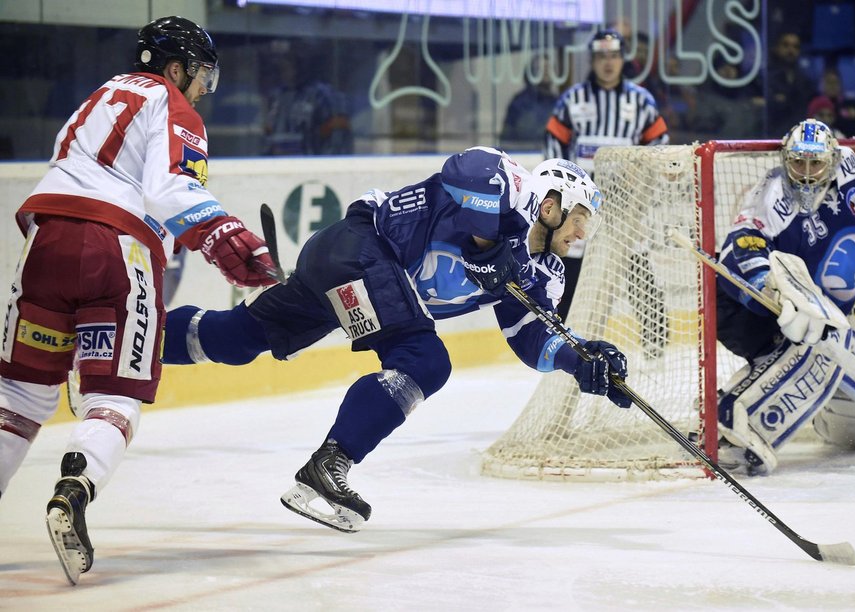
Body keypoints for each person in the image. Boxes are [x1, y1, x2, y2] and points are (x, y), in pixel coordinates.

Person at [161, 147, 632, 533]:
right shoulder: (512, 190)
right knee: (424, 359)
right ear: (550, 205)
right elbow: (465, 168)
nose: (581, 235)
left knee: (236, 338)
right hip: (361, 247)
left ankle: (128, 340)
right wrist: (488, 246)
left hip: (359, 278)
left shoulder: (543, 274)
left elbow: (529, 337)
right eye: (579, 219)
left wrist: (579, 360)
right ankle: (331, 464)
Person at [0, 16, 276, 585]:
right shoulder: (174, 106)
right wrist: (229, 238)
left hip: (44, 246)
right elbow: (171, 188)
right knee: (115, 394)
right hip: (114, 249)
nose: (203, 89)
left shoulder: (97, 97)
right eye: (201, 75)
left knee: (18, 397)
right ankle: (73, 491)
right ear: (175, 67)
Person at [715, 118, 855, 476]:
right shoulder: (772, 196)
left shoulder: (850, 177)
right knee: (814, 343)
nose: (804, 173)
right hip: (746, 306)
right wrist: (774, 290)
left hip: (811, 309)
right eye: (797, 162)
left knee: (840, 345)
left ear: (831, 162)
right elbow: (739, 251)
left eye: (814, 163)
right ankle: (730, 420)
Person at [544, 28, 669, 358]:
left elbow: (659, 145)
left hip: (626, 206)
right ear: (593, 60)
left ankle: (656, 341)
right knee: (569, 264)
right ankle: (561, 334)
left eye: (614, 56)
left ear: (623, 59)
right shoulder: (572, 100)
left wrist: (642, 182)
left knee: (636, 264)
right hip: (579, 206)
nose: (608, 63)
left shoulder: (640, 101)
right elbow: (554, 146)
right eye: (601, 56)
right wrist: (562, 195)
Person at [263, 41, 352, 156]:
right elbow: (268, 142)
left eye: (290, 59)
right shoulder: (277, 98)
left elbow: (337, 148)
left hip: (312, 170)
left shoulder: (326, 98)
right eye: (282, 59)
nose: (282, 65)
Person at [499, 55, 559, 150]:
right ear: (532, 72)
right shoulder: (519, 103)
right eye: (541, 68)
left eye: (549, 68)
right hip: (521, 155)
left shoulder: (558, 103)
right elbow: (506, 138)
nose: (546, 72)